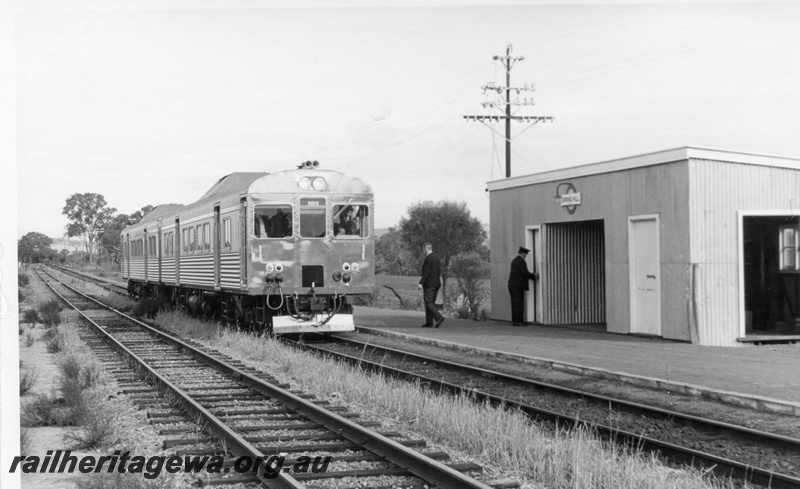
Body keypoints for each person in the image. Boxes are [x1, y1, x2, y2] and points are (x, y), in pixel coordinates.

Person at [508, 246, 538, 326]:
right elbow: (525, 273)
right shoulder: (521, 262)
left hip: (512, 285)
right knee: (519, 303)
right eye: (526, 254)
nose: (526, 256)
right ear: (523, 253)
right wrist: (534, 276)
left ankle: (516, 320)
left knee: (514, 303)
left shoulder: (514, 260)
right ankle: (519, 322)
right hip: (518, 286)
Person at [417, 242, 445, 328]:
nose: (423, 251)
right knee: (431, 303)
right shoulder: (436, 258)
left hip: (429, 284)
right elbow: (439, 271)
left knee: (428, 303)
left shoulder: (428, 258)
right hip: (436, 283)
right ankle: (429, 322)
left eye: (423, 249)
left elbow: (426, 272)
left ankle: (439, 317)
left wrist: (421, 282)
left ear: (426, 248)